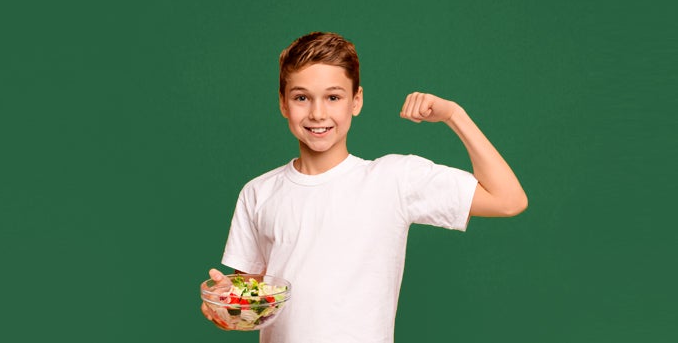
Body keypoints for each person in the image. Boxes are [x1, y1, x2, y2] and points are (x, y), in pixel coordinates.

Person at [201, 31, 527, 343]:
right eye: (302, 97)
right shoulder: (259, 192)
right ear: (283, 104)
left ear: (355, 101)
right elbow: (251, 297)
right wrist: (224, 303)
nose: (317, 113)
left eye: (333, 97)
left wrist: (454, 115)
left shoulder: (392, 180)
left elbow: (508, 200)